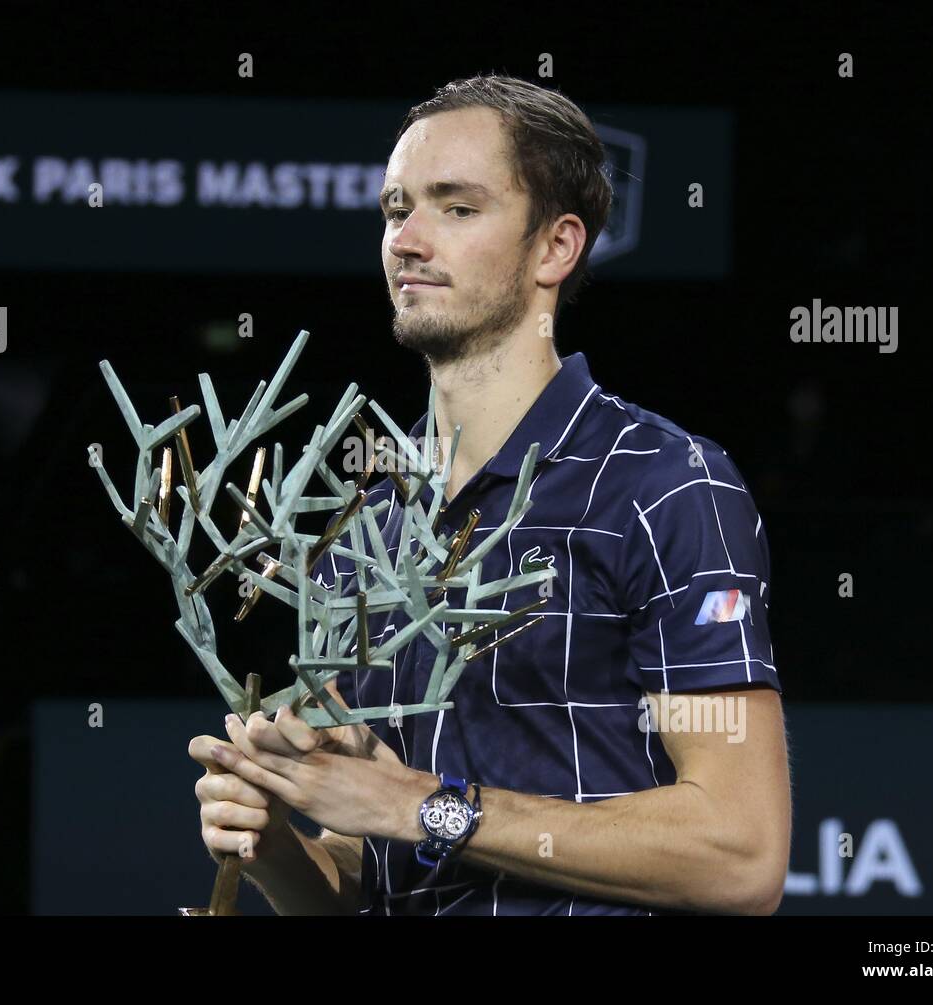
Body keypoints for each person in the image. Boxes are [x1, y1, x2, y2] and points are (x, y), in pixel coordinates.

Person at [188, 73, 790, 915]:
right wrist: (276, 848)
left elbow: (741, 853)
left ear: (556, 248)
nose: (408, 239)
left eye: (456, 208)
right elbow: (378, 876)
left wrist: (419, 803)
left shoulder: (661, 484)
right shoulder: (363, 525)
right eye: (398, 209)